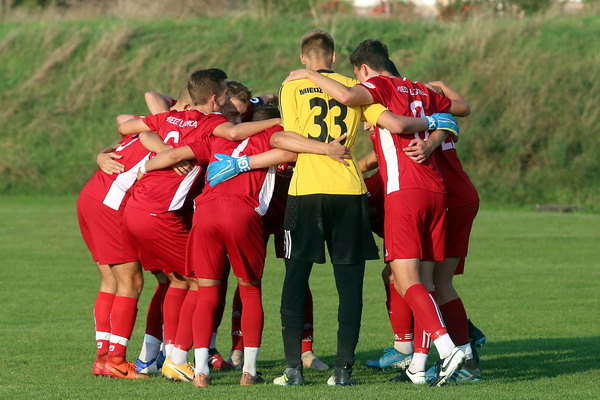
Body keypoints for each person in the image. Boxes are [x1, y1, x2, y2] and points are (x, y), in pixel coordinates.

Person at [273, 30, 457, 387]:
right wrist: (435, 125)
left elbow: (284, 137)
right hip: (349, 190)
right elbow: (396, 123)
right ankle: (343, 370)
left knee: (295, 279)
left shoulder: (292, 84)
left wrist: (321, 148)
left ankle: (293, 369)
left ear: (303, 58)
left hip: (306, 191)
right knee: (350, 285)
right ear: (334, 57)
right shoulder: (357, 87)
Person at [77, 112, 180, 379]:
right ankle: (116, 360)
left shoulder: (153, 121)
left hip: (92, 195)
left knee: (110, 280)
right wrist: (168, 151)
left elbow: (123, 120)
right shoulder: (175, 125)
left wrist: (102, 153)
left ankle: (103, 359)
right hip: (112, 204)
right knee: (131, 281)